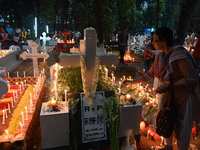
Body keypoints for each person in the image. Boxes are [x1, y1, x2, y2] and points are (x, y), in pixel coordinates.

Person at [123, 26, 200, 150]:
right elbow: (148, 75)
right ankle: (167, 147)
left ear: (164, 41)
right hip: (168, 97)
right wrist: (131, 82)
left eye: (155, 40)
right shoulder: (160, 57)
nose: (152, 43)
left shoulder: (179, 55)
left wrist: (170, 86)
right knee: (167, 123)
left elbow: (192, 77)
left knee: (182, 131)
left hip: (183, 99)